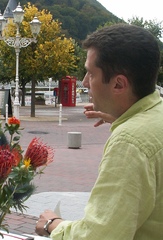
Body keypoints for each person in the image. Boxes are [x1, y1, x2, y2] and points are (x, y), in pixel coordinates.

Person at [35, 24, 163, 239]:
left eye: (91, 74)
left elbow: (100, 234)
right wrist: (121, 119)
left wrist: (53, 225)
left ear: (118, 84)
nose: (85, 83)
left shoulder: (129, 143)